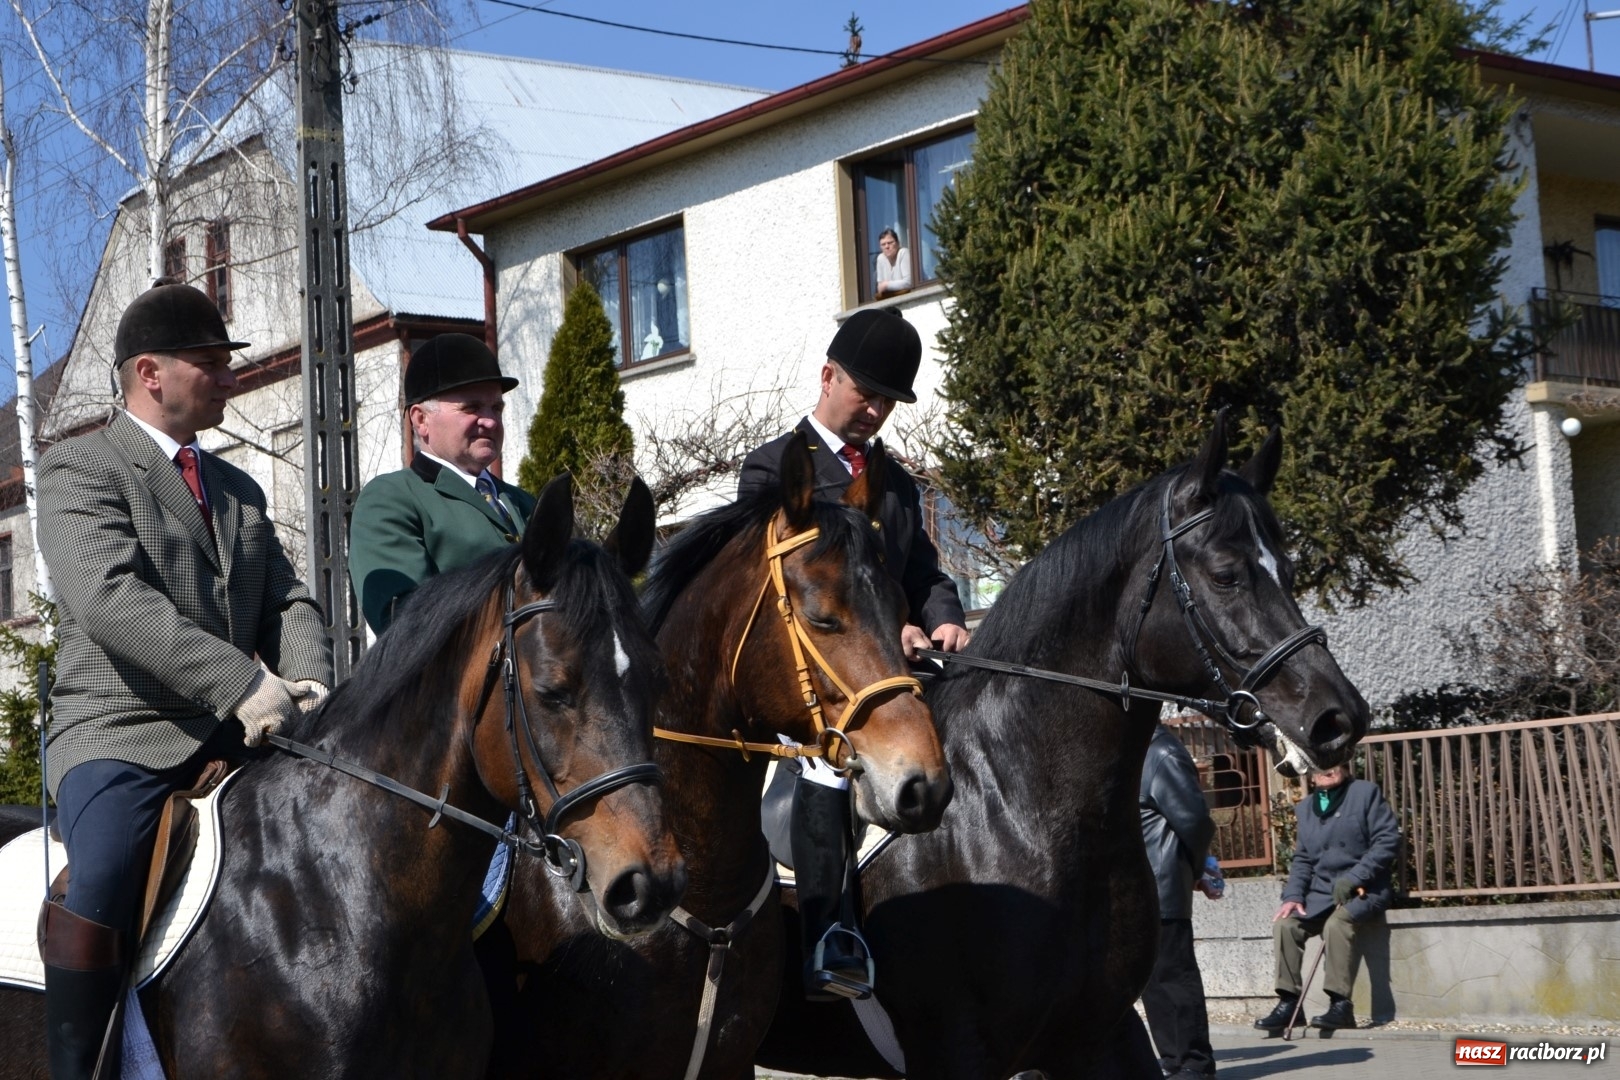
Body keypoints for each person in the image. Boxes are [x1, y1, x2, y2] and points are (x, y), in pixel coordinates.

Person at [36, 281, 333, 1079]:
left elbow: (288, 595)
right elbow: (108, 597)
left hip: (242, 728)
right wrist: (240, 681)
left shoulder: (237, 488)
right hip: (121, 731)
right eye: (212, 364)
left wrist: (305, 680)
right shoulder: (81, 467)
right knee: (97, 879)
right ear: (150, 373)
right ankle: (80, 1065)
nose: (232, 379)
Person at [739, 306, 969, 1001]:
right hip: (811, 677)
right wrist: (885, 627)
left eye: (887, 402)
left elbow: (924, 571)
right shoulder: (775, 469)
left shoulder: (895, 482)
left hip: (891, 677)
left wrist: (945, 619)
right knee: (827, 768)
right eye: (865, 393)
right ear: (828, 376)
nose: (874, 411)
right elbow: (770, 589)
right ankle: (827, 931)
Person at [348, 333, 535, 635]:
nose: (490, 421)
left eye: (496, 408)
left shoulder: (525, 504)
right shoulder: (391, 499)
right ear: (420, 420)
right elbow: (406, 625)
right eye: (472, 407)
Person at [1254, 762, 1399, 1032]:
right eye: (1317, 765)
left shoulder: (1365, 793)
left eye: (1331, 763)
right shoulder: (1306, 807)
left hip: (1364, 889)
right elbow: (1303, 860)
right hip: (1321, 894)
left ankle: (1340, 1005)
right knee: (1285, 925)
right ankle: (1289, 1004)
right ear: (1309, 772)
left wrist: (1355, 877)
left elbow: (1387, 840)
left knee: (1336, 924)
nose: (1325, 769)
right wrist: (1293, 896)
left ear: (1344, 765)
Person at [1139, 722, 1219, 1079]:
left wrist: (1198, 869)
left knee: (1175, 976)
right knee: (1152, 982)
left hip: (1164, 881)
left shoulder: (1163, 753)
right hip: (1140, 887)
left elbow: (1195, 820)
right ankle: (1173, 1059)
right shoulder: (1138, 752)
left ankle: (1196, 1063)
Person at [873, 227, 911, 298]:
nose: (887, 246)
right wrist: (884, 286)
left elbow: (909, 283)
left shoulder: (903, 253)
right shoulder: (880, 258)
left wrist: (887, 285)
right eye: (883, 244)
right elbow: (880, 287)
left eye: (890, 243)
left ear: (897, 243)